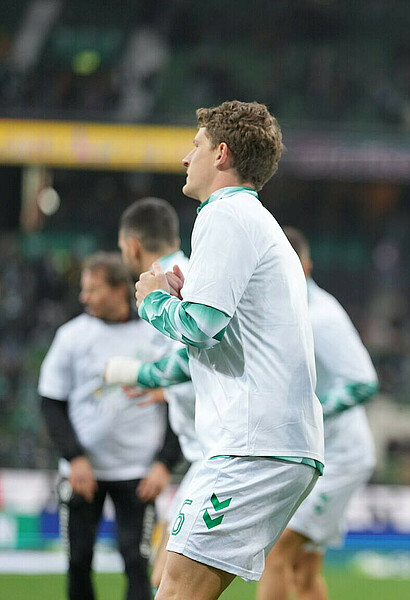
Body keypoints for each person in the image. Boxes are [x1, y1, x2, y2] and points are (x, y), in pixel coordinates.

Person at [110, 100, 324, 600]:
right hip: (271, 443)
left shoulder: (224, 216)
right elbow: (227, 329)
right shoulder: (253, 220)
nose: (187, 157)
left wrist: (154, 301)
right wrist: (187, 297)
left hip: (252, 444)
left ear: (221, 153)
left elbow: (202, 328)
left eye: (197, 144)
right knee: (186, 588)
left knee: (176, 589)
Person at [38, 252, 181, 600]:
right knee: (78, 561)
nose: (84, 297)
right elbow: (51, 403)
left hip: (139, 474)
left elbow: (182, 398)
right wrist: (75, 458)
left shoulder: (156, 332)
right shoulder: (71, 336)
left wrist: (165, 463)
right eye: (84, 290)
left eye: (93, 289)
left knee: (137, 561)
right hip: (83, 473)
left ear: (120, 291)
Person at [256, 227, 378, 600]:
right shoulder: (285, 309)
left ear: (305, 268)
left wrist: (309, 412)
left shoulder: (320, 317)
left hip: (339, 457)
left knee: (277, 552)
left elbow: (363, 382)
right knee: (304, 567)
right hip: (324, 453)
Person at [116, 196, 203, 593]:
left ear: (132, 245)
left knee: (170, 579)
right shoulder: (187, 272)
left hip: (213, 453)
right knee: (168, 579)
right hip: (204, 450)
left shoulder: (163, 283)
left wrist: (145, 375)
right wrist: (166, 390)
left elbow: (188, 356)